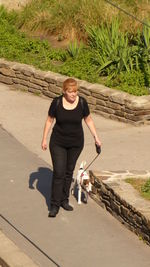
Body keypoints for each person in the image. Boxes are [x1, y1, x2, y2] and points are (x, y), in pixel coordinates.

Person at [41, 78, 101, 217]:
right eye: (70, 92)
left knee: (69, 171)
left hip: (76, 143)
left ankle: (64, 200)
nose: (73, 94)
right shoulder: (56, 103)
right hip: (58, 142)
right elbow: (49, 120)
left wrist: (96, 137)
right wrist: (44, 139)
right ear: (64, 91)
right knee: (59, 172)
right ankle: (54, 205)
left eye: (75, 91)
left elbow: (88, 120)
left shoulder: (82, 103)